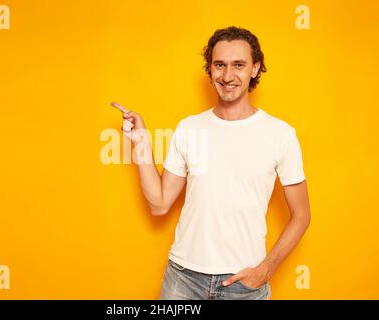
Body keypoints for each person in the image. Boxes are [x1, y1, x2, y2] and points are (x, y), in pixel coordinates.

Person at [110, 26, 311, 300]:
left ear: (255, 68)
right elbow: (159, 204)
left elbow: (301, 215)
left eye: (238, 65)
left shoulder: (281, 134)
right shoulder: (189, 129)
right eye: (220, 65)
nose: (227, 76)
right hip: (183, 280)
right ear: (210, 69)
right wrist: (141, 143)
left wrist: (265, 270)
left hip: (244, 285)